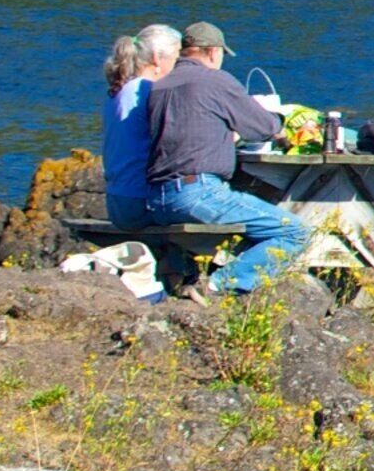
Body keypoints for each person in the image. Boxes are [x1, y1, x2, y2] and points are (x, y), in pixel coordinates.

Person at [143, 19, 306, 295]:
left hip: (157, 199)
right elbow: (263, 126)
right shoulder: (214, 80)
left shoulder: (159, 87)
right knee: (293, 231)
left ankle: (192, 283)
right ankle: (217, 287)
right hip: (198, 192)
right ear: (213, 52)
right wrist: (281, 125)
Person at [99, 29, 167, 228]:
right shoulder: (148, 90)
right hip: (141, 201)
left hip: (116, 201)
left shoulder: (117, 92)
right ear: (156, 59)